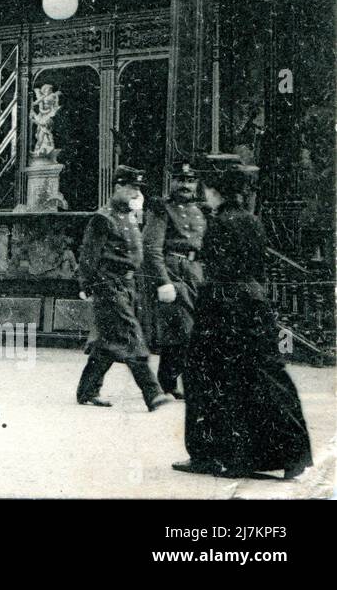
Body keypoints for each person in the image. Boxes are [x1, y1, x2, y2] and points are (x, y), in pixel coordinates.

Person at [174, 162, 313, 479]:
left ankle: (210, 454)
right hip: (255, 305)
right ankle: (292, 453)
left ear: (214, 191)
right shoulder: (253, 221)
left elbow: (217, 272)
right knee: (264, 376)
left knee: (205, 377)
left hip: (224, 308)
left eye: (206, 189)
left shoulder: (219, 223)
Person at [74, 167, 171, 412]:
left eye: (137, 189)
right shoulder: (103, 218)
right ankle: (153, 393)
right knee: (131, 335)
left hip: (128, 285)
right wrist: (86, 285)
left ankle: (87, 390)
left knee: (107, 341)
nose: (135, 193)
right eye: (131, 188)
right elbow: (88, 257)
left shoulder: (129, 217)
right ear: (117, 187)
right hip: (109, 285)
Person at [140, 161, 205, 399]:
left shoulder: (200, 211)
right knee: (181, 329)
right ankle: (169, 382)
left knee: (188, 330)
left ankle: (169, 382)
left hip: (195, 272)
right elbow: (151, 248)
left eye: (190, 181)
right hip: (173, 271)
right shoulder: (162, 209)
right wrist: (163, 281)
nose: (186, 185)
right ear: (173, 182)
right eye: (181, 180)